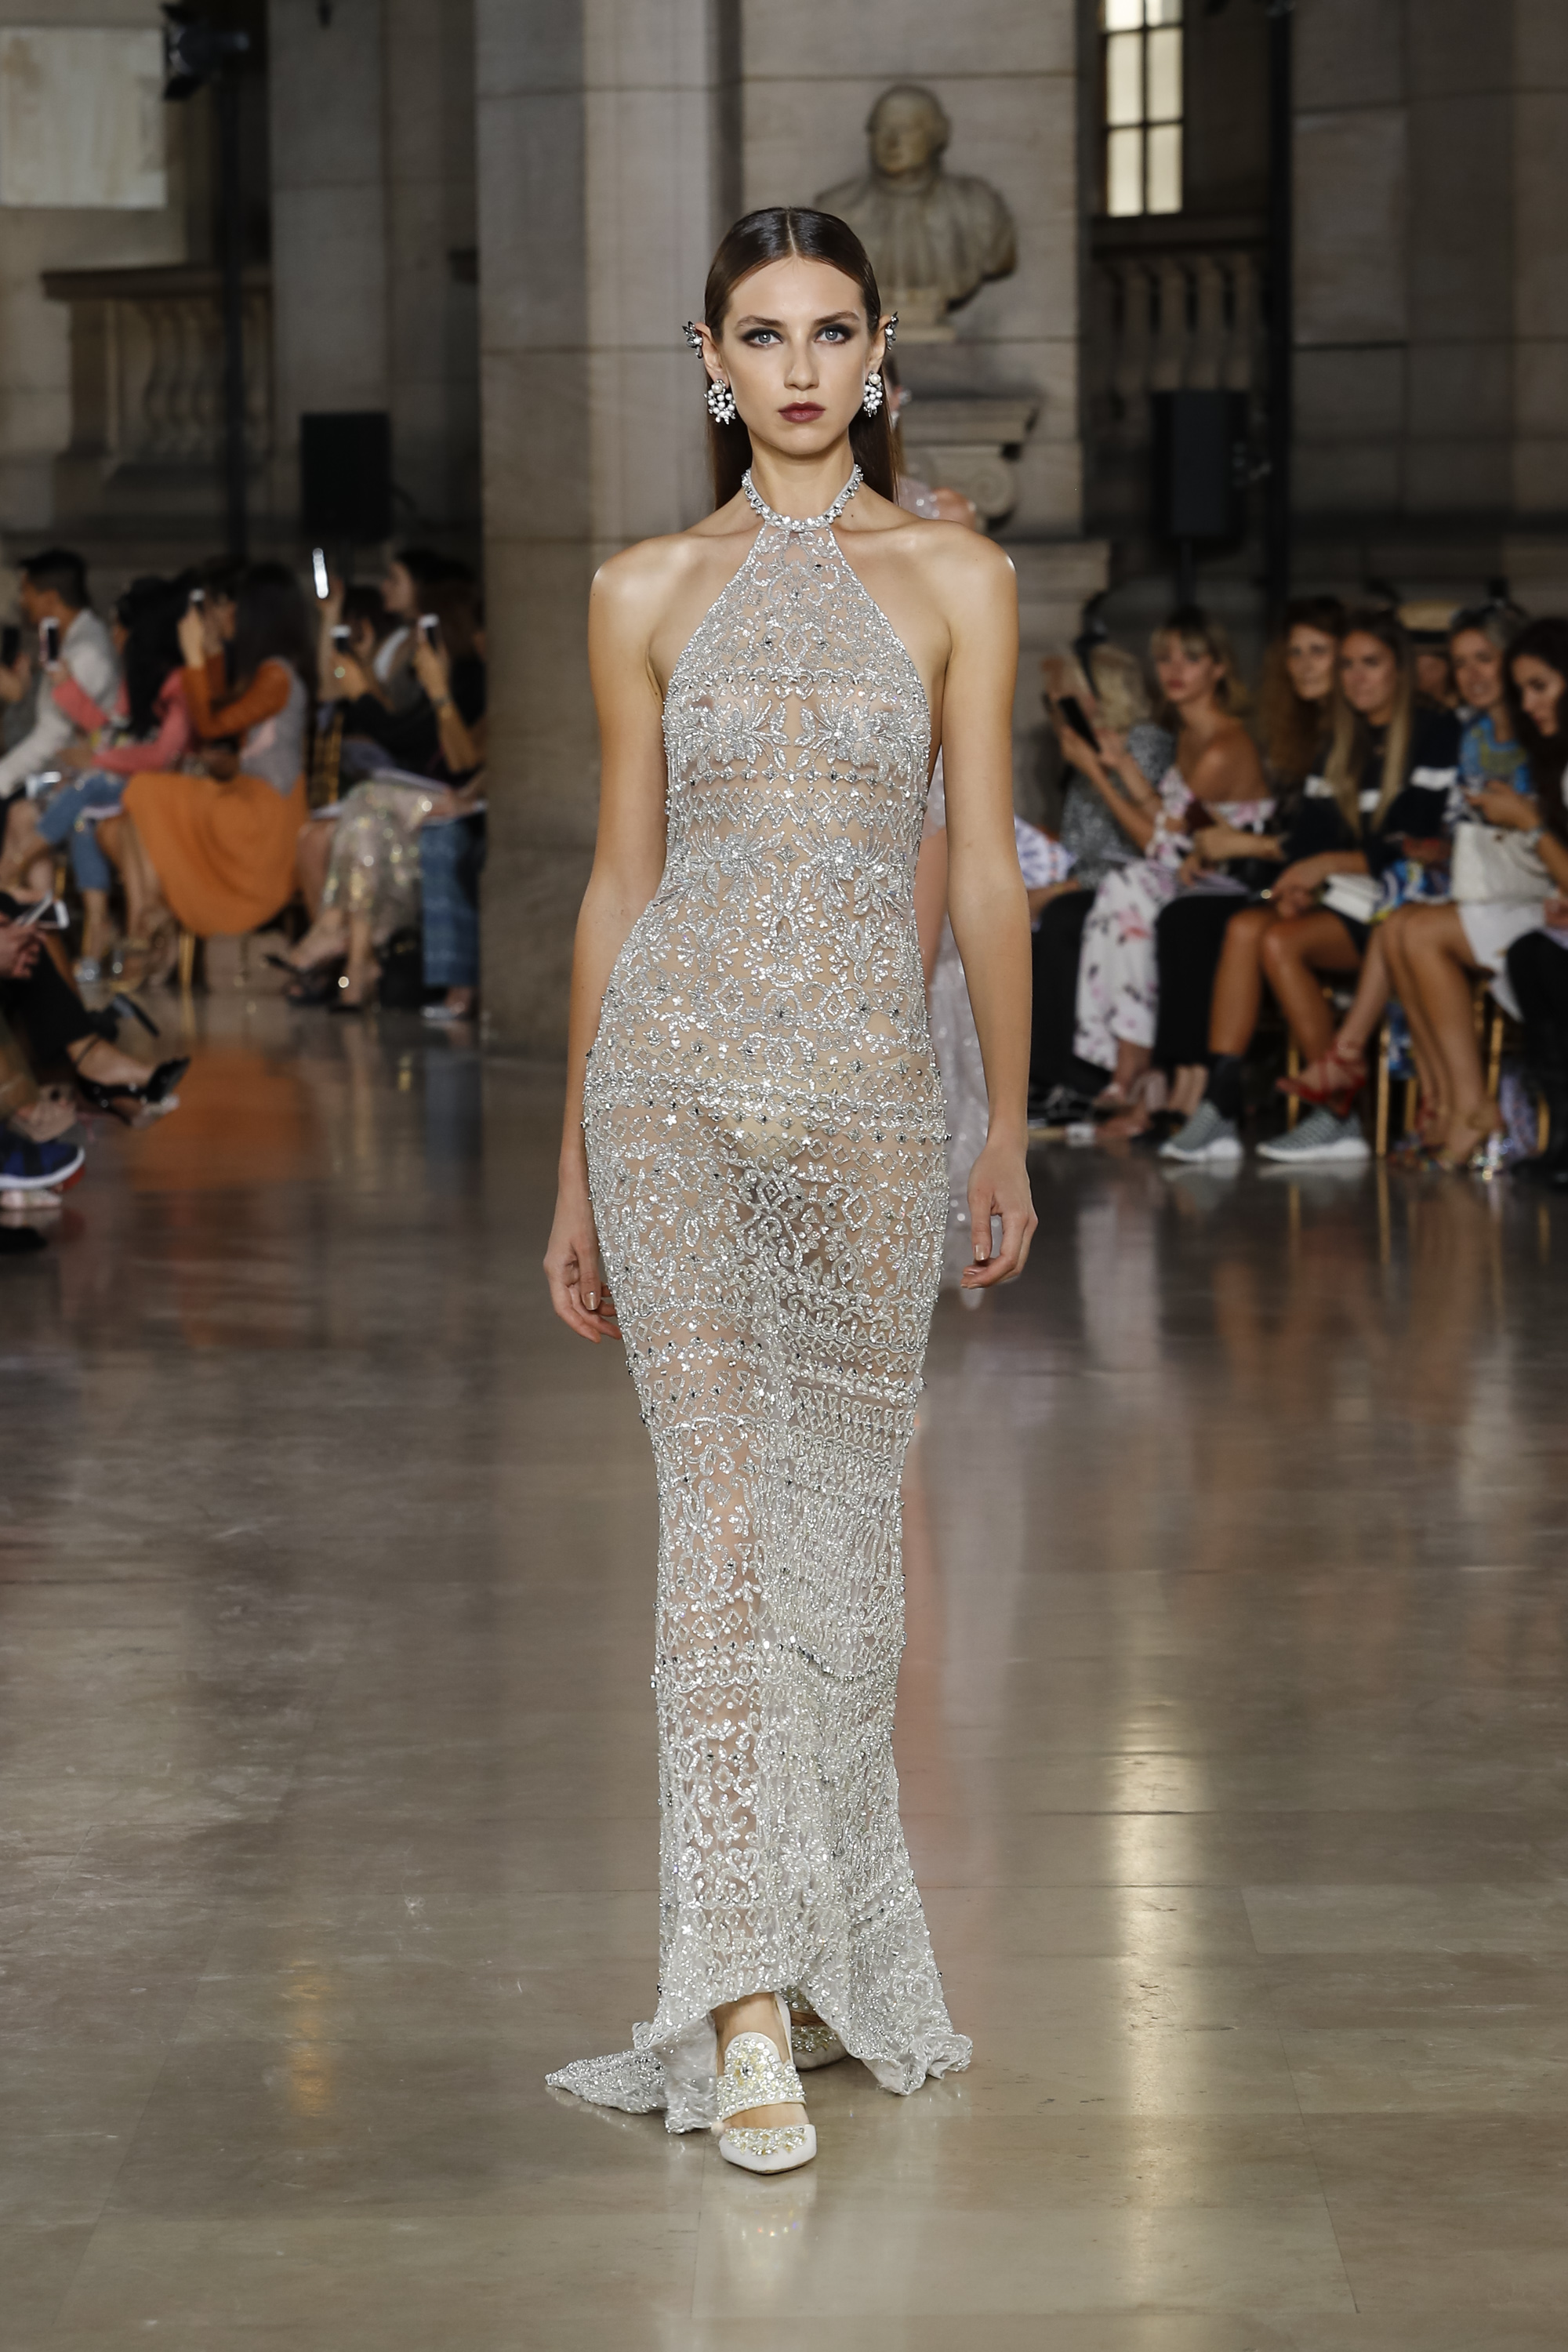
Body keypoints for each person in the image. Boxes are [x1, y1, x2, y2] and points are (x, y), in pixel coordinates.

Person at [542, 205, 1034, 2176]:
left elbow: (980, 868)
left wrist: (1005, 1122)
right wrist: (572, 1164)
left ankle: (820, 1955)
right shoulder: (640, 587)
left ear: (879, 349)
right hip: (665, 1090)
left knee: (840, 1549)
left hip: (864, 1107)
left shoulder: (959, 577)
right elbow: (616, 878)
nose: (801, 367)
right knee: (719, 1531)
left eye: (832, 332)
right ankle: (734, 1996)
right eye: (763, 334)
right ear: (709, 358)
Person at [1160, 609, 1461, 1166]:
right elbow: (1308, 839)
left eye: (1370, 664)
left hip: (1405, 900)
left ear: (1400, 669)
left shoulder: (1435, 732)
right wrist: (1302, 877)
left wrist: (1322, 865)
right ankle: (1222, 1099)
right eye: (1347, 665)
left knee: (1278, 940)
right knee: (1246, 926)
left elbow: (1415, 840)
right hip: (1346, 898)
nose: (1356, 678)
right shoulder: (1343, 740)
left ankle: (1336, 1111)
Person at [1279, 600, 1530, 1141]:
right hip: (1459, 881)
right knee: (1397, 918)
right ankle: (1442, 1104)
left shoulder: (1460, 731)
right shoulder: (1469, 734)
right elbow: (1329, 837)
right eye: (1461, 663)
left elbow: (1423, 834)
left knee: (1405, 910)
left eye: (1484, 659)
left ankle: (1370, 1070)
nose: (1471, 674)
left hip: (1512, 888)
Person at [1065, 609, 1268, 1134]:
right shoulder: (1191, 736)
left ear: (1219, 668)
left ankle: (1134, 1067)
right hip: (1192, 871)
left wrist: (1097, 776)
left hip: (1232, 880)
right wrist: (1121, 766)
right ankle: (1132, 1065)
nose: (1174, 670)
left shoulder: (1222, 746)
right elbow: (1172, 820)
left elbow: (1163, 846)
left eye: (1191, 659)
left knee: (1127, 889)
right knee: (1121, 889)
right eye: (1165, 659)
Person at [1149, 596, 1346, 1119]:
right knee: (1203, 921)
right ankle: (1210, 1094)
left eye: (1319, 652)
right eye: (1295, 653)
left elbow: (1337, 838)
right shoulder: (1302, 733)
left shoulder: (1345, 738)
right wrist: (1231, 844)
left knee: (1192, 919)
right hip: (1290, 877)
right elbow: (1296, 830)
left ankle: (1325, 1104)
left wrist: (1245, 845)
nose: (1304, 665)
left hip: (1332, 884)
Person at [1385, 618, 1568, 1171]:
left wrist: (1528, 823)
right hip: (1533, 892)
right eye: (1524, 689)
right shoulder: (1481, 739)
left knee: (1418, 931)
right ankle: (1447, 1101)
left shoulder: (1537, 748)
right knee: (1401, 926)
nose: (1529, 702)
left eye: (1539, 687)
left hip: (1531, 891)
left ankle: (1469, 1106)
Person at [0, 576, 194, 978]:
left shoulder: (179, 684)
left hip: (153, 788)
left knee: (82, 788)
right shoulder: (135, 682)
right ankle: (68, 928)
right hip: (111, 783)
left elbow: (162, 754)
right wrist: (66, 686)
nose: (115, 636)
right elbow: (106, 730)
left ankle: (12, 869)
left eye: (120, 626)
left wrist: (101, 758)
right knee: (67, 815)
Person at [1030, 642, 1173, 1116]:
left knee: (1062, 917)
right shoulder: (1079, 754)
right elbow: (1084, 843)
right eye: (1052, 699)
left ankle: (1075, 1077)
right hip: (1095, 881)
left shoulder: (1144, 744)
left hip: (1140, 885)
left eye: (1065, 696)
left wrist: (1058, 888)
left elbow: (1144, 845)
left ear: (1101, 694)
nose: (1056, 707)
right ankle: (1036, 1074)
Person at [0, 550, 118, 825]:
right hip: (57, 770)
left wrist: (3, 776)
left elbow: (52, 736)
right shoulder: (68, 642)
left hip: (78, 776)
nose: (21, 601)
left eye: (26, 592)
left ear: (50, 598)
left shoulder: (87, 653)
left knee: (12, 805)